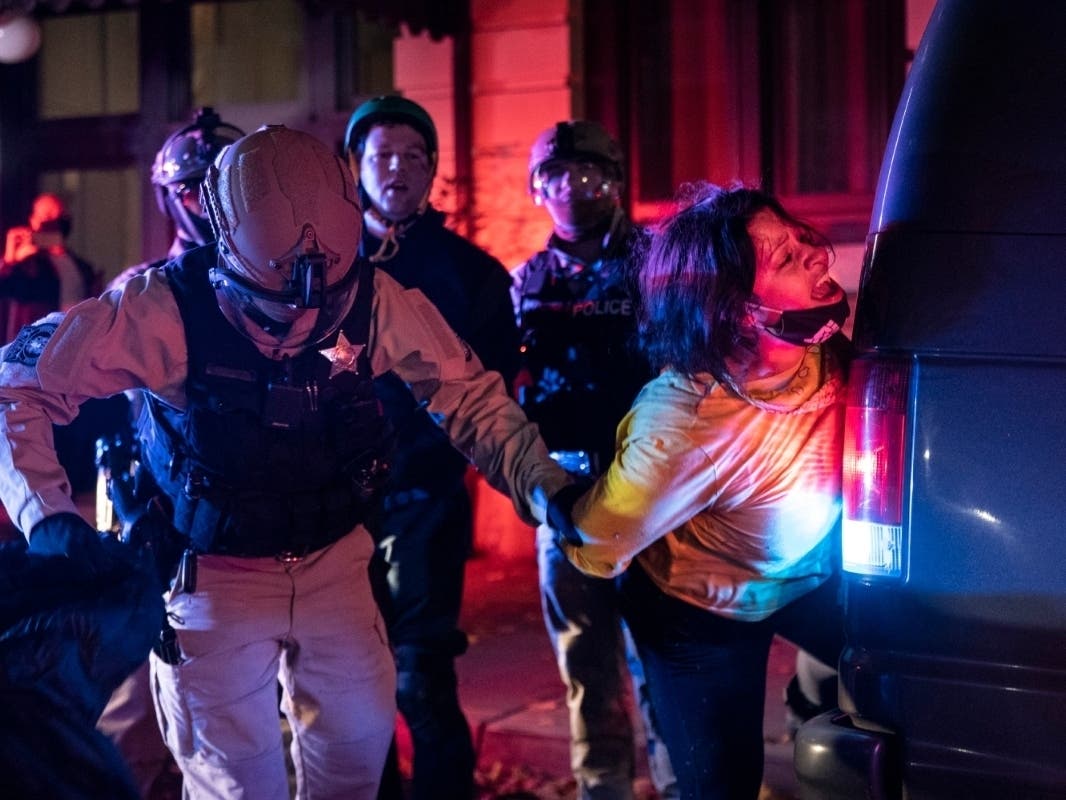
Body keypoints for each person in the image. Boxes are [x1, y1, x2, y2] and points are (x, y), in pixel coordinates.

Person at [0, 124, 572, 800]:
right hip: (214, 578)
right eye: (275, 312)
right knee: (238, 786)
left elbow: (468, 395)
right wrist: (48, 517)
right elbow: (15, 385)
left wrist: (545, 486)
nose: (303, 323)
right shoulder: (162, 311)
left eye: (325, 304)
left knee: (355, 767)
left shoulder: (373, 298)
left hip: (337, 567)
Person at [552, 182, 851, 800]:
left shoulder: (836, 355)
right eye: (787, 258)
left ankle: (814, 713)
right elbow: (599, 545)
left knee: (913, 678)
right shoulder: (682, 422)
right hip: (698, 616)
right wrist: (550, 494)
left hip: (804, 579)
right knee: (721, 784)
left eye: (800, 238)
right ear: (738, 310)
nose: (818, 255)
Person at [343, 95, 520, 799]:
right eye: (382, 155)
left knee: (421, 673)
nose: (398, 169)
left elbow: (491, 385)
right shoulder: (319, 263)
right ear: (356, 165)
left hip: (427, 497)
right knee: (350, 678)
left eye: (414, 157)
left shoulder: (470, 272)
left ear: (433, 169)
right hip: (335, 505)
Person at [511, 120, 676, 800]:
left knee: (661, 655)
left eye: (589, 175)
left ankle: (677, 784)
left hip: (652, 490)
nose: (573, 190)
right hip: (567, 494)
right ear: (536, 190)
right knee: (585, 659)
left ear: (614, 182)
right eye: (556, 178)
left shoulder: (656, 263)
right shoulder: (526, 281)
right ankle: (602, 787)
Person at [95, 106, 246, 800]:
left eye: (218, 185)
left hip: (249, 522)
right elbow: (98, 405)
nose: (205, 203)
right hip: (158, 514)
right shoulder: (141, 289)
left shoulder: (280, 283)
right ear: (168, 197)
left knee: (234, 719)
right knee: (139, 698)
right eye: (191, 188)